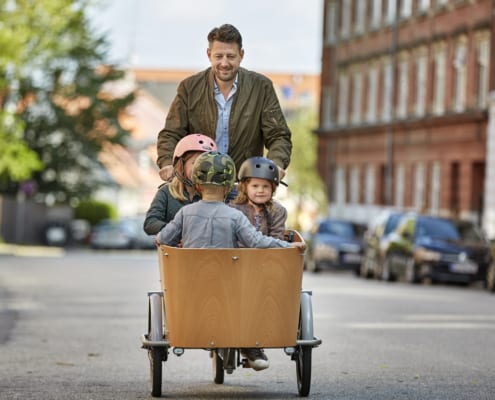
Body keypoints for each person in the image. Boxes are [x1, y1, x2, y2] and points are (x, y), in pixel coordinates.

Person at [156, 151, 305, 371]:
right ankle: (249, 343)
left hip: (190, 288)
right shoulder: (235, 215)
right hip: (228, 288)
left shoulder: (185, 213)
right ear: (228, 188)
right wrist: (287, 246)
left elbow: (161, 240)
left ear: (197, 186)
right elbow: (257, 242)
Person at [155, 23, 292, 183]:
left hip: (242, 186)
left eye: (231, 56)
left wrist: (275, 165)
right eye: (218, 56)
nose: (224, 63)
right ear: (209, 54)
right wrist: (167, 163)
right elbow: (171, 133)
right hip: (199, 184)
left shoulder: (261, 87)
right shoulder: (190, 88)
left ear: (241, 54)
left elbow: (278, 135)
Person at [143, 134, 217, 235]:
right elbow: (150, 223)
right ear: (180, 165)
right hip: (175, 249)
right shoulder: (166, 192)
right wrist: (176, 230)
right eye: (195, 163)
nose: (201, 168)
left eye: (206, 164)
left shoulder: (216, 194)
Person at [230, 156, 287, 240]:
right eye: (255, 186)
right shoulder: (233, 209)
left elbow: (277, 239)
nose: (260, 190)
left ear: (272, 188)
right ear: (245, 187)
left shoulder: (278, 211)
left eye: (266, 186)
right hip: (238, 253)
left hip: (269, 252)